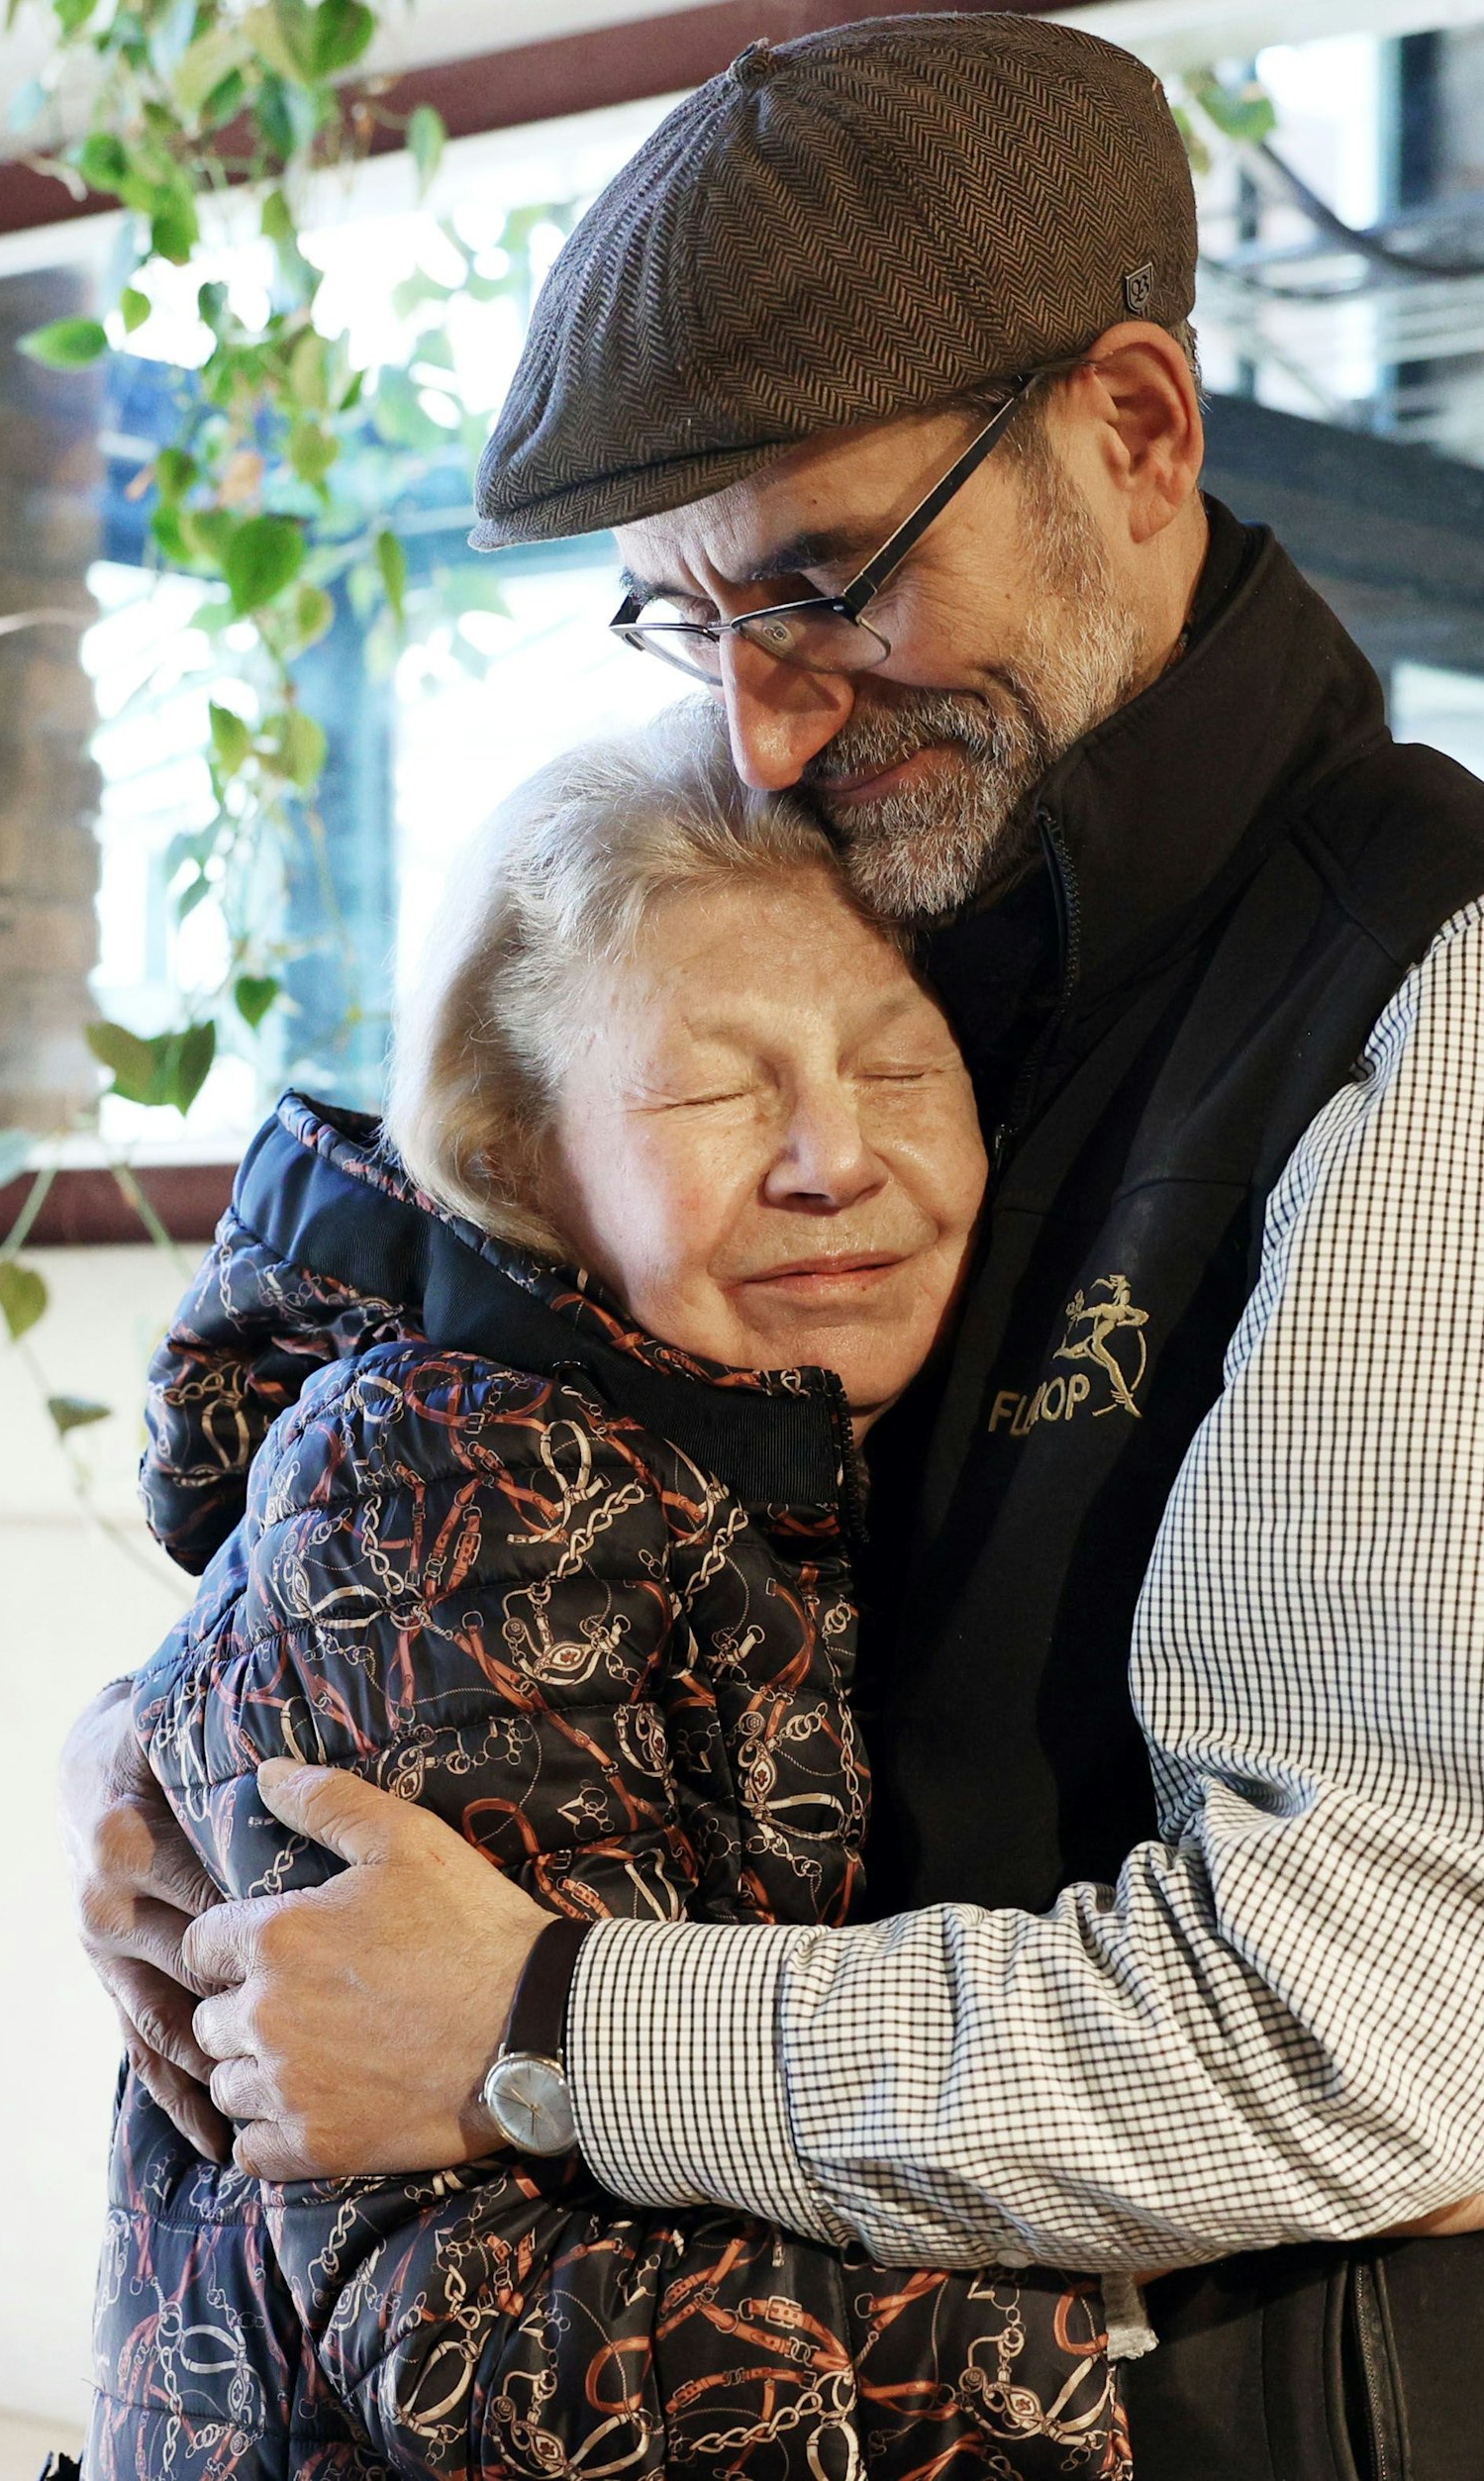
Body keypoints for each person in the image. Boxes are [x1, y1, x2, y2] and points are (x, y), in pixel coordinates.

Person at [64, 18, 1484, 2473]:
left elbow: (1333, 2036)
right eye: (683, 617)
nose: (767, 726)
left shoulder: (1423, 1005)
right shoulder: (905, 889)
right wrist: (195, 1729)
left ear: (1136, 429)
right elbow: (477, 1355)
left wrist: (534, 2021)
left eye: (826, 582)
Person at [85, 709, 1131, 2477]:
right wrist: (1153, 2358)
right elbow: (461, 2334)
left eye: (900, 1073)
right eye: (717, 1091)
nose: (834, 1158)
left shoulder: (788, 1447)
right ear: (517, 1158)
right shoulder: (464, 1485)